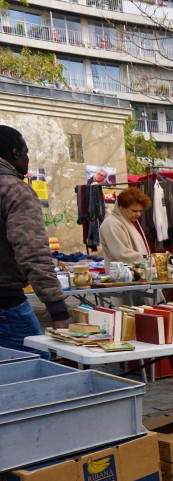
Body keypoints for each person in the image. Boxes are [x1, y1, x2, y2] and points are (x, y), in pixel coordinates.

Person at [0, 125, 70, 355]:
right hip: (6, 305)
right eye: (26, 151)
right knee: (39, 370)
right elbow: (32, 252)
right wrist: (57, 309)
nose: (28, 158)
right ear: (15, 153)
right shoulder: (14, 190)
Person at [99, 187, 153, 264]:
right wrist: (149, 260)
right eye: (134, 211)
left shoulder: (130, 221)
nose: (138, 214)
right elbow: (122, 253)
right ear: (121, 207)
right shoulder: (112, 223)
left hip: (134, 272)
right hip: (122, 274)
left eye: (140, 211)